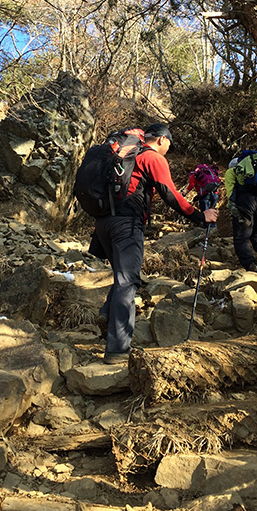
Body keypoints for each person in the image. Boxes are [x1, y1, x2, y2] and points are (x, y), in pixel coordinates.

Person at [93, 122, 218, 364]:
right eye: (169, 146)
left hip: (102, 223)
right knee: (127, 281)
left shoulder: (123, 153)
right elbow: (170, 193)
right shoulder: (151, 157)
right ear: (162, 140)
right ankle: (117, 350)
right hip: (126, 224)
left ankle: (107, 314)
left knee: (122, 276)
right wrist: (201, 216)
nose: (167, 151)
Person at [224, 151, 257, 272]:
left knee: (241, 237)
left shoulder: (233, 172)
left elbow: (230, 192)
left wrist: (234, 211)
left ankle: (251, 265)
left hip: (246, 202)